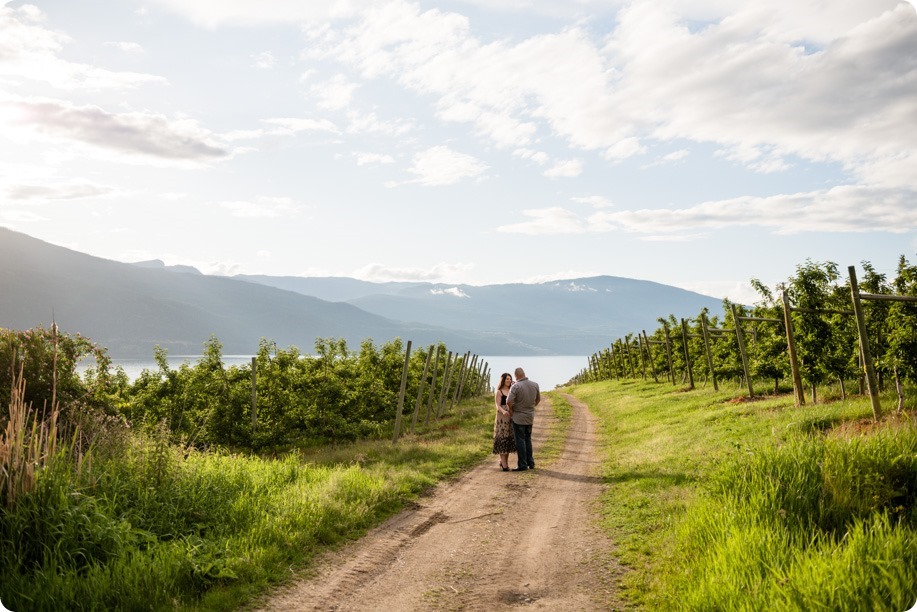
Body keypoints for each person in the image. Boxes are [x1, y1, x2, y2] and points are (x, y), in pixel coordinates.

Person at [506, 367, 540, 471]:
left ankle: (522, 464)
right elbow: (538, 399)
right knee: (528, 439)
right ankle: (531, 462)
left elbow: (508, 401)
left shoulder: (516, 386)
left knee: (520, 440)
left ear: (515, 376)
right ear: (524, 373)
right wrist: (531, 407)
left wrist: (511, 410)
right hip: (530, 416)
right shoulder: (535, 384)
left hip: (518, 417)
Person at [493, 372, 517, 471]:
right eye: (507, 379)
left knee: (508, 440)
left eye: (510, 379)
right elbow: (497, 405)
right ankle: (504, 464)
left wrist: (515, 386)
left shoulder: (512, 390)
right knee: (502, 439)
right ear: (503, 380)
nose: (509, 380)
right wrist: (504, 411)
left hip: (511, 417)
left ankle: (503, 462)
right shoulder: (499, 391)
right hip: (502, 418)